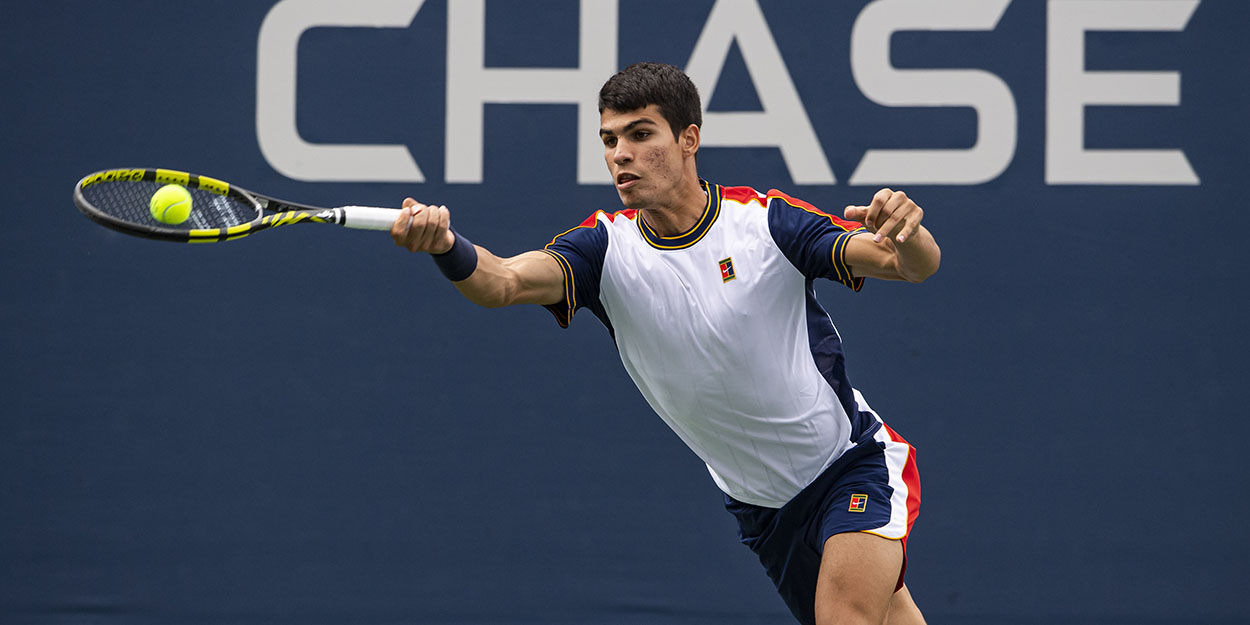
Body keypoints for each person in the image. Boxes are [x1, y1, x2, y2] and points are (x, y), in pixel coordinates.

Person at [390, 62, 939, 625]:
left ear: (688, 140)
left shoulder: (767, 225)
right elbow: (501, 282)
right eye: (609, 140)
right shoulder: (603, 250)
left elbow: (908, 265)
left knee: (846, 616)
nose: (620, 154)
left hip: (851, 463)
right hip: (765, 509)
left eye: (640, 134)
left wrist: (909, 233)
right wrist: (447, 247)